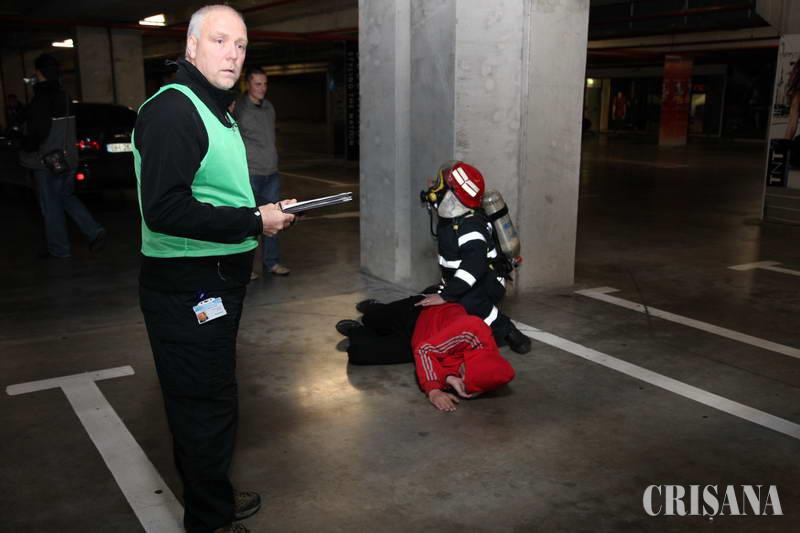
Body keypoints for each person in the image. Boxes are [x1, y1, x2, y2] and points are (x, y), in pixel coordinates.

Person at [133, 6, 295, 533]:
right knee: (203, 406)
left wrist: (259, 214)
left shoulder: (214, 109)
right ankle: (210, 521)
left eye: (241, 45)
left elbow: (214, 192)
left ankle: (213, 494)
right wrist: (254, 220)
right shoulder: (173, 111)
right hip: (188, 288)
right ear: (191, 46)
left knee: (213, 396)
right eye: (220, 41)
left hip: (214, 281)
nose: (232, 54)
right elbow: (164, 208)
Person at [418, 161, 532, 354]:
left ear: (452, 194)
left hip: (488, 279)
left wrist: (446, 295)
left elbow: (474, 266)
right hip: (468, 277)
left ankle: (509, 331)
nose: (433, 187)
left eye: (439, 184)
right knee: (428, 297)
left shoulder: (470, 226)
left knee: (468, 300)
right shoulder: (453, 217)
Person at [336, 297, 515, 412]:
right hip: (422, 313)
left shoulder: (485, 367)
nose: (460, 375)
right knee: (372, 319)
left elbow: (430, 355)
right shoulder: (472, 328)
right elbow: (425, 352)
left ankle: (356, 331)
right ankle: (377, 307)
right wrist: (434, 390)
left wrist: (450, 379)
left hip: (419, 340)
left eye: (463, 379)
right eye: (463, 373)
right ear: (474, 363)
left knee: (359, 353)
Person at [22, 53, 106, 258]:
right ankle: (94, 230)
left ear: (40, 73)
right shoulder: (65, 97)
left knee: (51, 205)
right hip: (68, 158)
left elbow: (38, 133)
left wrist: (25, 145)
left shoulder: (40, 99)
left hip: (47, 162)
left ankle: (59, 249)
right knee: (66, 197)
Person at [235, 66, 289, 278]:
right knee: (250, 222)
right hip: (250, 174)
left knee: (274, 218)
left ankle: (271, 263)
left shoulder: (269, 107)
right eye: (258, 84)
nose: (262, 88)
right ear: (248, 84)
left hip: (271, 173)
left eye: (265, 84)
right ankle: (245, 267)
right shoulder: (240, 109)